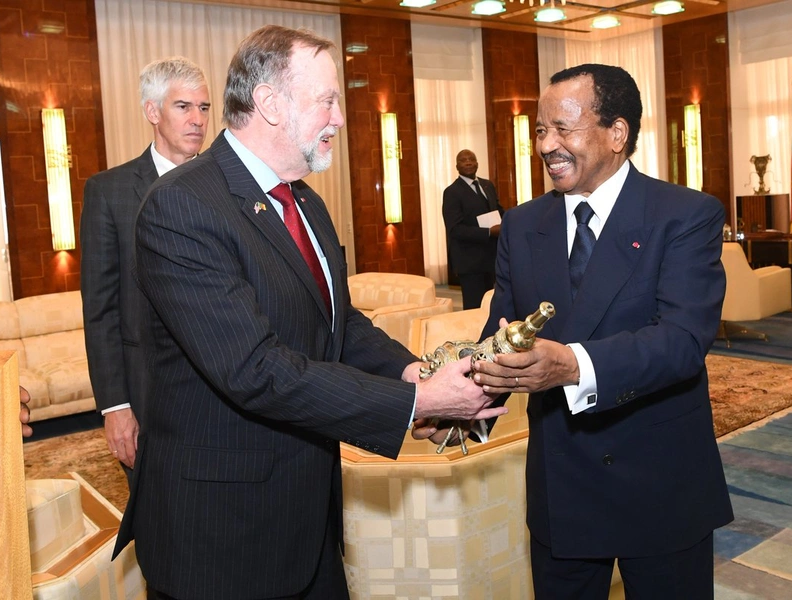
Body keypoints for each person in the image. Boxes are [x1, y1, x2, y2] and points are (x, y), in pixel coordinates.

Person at [112, 26, 504, 600]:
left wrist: (412, 373)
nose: (339, 118)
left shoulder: (307, 203)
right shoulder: (182, 207)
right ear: (269, 104)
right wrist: (418, 403)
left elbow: (338, 323)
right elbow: (255, 371)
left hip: (308, 519)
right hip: (222, 536)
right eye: (327, 100)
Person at [418, 64, 734, 598]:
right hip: (561, 487)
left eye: (564, 129)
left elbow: (681, 341)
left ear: (617, 133)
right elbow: (506, 334)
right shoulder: (521, 225)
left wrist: (571, 365)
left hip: (660, 483)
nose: (546, 145)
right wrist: (460, 408)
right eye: (541, 130)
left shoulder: (684, 214)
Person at [80, 57, 211, 472]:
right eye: (183, 107)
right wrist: (115, 406)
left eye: (204, 108)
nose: (197, 120)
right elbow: (101, 311)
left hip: (223, 394)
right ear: (152, 112)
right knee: (157, 525)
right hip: (147, 394)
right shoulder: (109, 191)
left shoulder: (228, 186)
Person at [442, 149, 504, 309]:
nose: (468, 162)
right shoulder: (452, 192)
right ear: (457, 166)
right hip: (469, 261)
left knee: (493, 305)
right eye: (463, 160)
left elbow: (498, 210)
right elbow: (455, 229)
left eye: (472, 159)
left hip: (492, 257)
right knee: (474, 307)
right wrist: (489, 232)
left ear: (477, 163)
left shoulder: (487, 185)